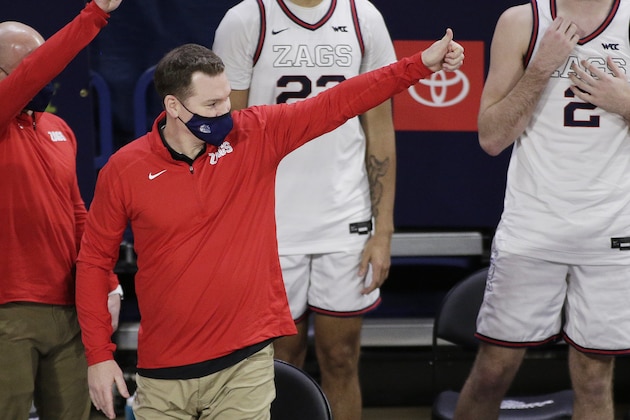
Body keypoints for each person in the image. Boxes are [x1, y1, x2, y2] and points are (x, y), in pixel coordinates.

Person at [75, 31, 464, 420]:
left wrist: (421, 65)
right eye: (211, 104)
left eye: (226, 97)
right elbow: (93, 263)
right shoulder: (124, 169)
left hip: (244, 367)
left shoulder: (256, 133)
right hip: (163, 374)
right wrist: (98, 356)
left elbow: (341, 101)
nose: (225, 111)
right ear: (173, 106)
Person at [212, 0, 396, 418]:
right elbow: (229, 138)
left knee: (342, 358)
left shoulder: (362, 17)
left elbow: (380, 130)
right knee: (280, 364)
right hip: (271, 224)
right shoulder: (247, 19)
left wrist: (382, 232)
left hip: (345, 218)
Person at [453, 0, 630, 419]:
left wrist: (624, 102)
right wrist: (540, 68)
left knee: (593, 378)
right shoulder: (521, 21)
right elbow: (492, 138)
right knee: (493, 372)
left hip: (610, 231)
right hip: (532, 229)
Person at [0, 1, 123, 419]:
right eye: (31, 68)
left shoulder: (58, 129)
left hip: (69, 310)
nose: (46, 78)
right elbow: (35, 71)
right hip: (8, 310)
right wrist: (95, 14)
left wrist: (106, 281)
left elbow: (78, 215)